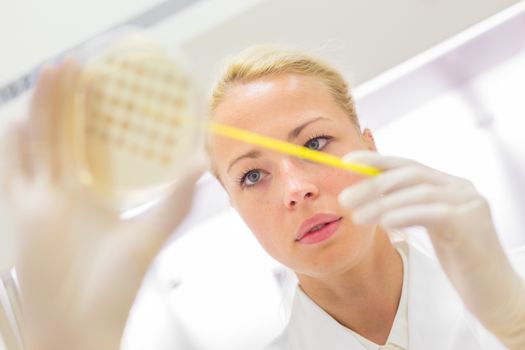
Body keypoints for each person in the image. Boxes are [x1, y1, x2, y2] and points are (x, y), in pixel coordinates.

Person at [1, 47, 524, 349]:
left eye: (315, 144)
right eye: (253, 176)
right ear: (233, 205)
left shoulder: (511, 295)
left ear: (369, 147)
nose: (296, 190)